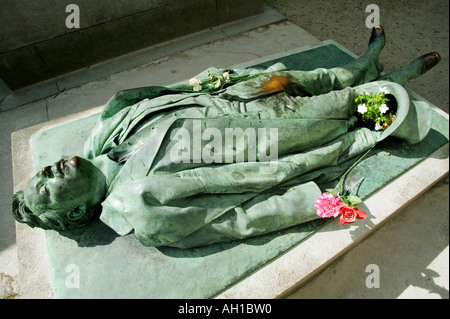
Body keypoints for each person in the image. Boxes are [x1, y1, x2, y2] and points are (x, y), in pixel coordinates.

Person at [12, 27, 441, 248]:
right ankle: (399, 81)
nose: (47, 170)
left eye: (38, 172)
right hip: (266, 136)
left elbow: (167, 96)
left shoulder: (109, 127)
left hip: (236, 95)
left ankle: (367, 61)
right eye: (46, 187)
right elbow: (237, 219)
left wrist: (211, 84)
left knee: (313, 78)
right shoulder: (143, 209)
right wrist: (313, 203)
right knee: (347, 105)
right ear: (77, 212)